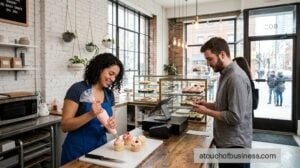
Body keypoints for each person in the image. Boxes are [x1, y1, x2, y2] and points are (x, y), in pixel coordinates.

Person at [193, 37, 252, 168]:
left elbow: (235, 117)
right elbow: (223, 106)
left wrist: (206, 112)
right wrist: (206, 104)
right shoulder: (224, 75)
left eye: (210, 59)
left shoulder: (235, 78)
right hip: (227, 143)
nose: (208, 63)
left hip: (235, 147)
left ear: (222, 55)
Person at [60, 53, 124, 165]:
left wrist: (111, 125)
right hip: (76, 152)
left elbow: (109, 124)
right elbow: (65, 126)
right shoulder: (77, 89)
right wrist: (90, 114)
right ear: (99, 68)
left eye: (115, 76)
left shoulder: (109, 94)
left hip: (100, 151)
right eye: (111, 73)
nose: (113, 79)